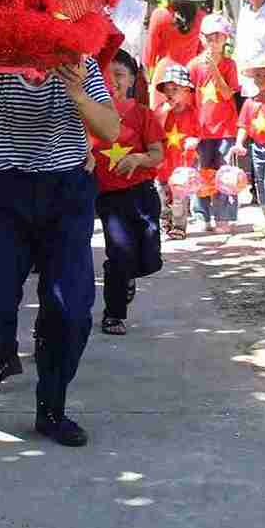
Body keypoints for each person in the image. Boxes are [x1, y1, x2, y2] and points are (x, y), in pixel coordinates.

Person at [0, 50, 120, 447]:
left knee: (71, 308)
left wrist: (77, 94)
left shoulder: (81, 62)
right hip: (7, 191)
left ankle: (52, 408)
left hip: (67, 192)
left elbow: (110, 130)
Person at [90, 50, 164, 335]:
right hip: (110, 198)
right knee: (119, 254)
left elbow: (157, 154)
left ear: (133, 79)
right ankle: (113, 313)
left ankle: (128, 275)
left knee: (149, 259)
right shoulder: (90, 115)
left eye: (119, 74)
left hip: (143, 194)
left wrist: (137, 159)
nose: (113, 81)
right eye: (105, 75)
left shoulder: (143, 114)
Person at [186, 13, 239, 234]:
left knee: (224, 172)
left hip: (225, 128)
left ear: (226, 38)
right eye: (209, 37)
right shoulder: (193, 66)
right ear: (201, 38)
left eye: (218, 37)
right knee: (202, 171)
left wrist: (215, 71)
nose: (213, 42)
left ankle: (223, 216)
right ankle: (201, 214)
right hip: (201, 129)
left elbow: (228, 94)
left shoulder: (229, 64)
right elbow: (188, 99)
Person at [228, 52, 265, 231]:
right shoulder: (250, 103)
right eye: (258, 75)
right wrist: (239, 143)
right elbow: (243, 125)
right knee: (260, 184)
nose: (261, 79)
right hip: (257, 149)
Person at [144, 0, 211, 108]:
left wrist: (148, 79)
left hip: (164, 78)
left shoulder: (160, 15)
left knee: (161, 124)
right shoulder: (202, 17)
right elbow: (203, 51)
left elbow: (149, 55)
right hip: (189, 76)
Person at [152, 63, 199, 240]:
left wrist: (194, 141)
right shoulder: (161, 110)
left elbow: (197, 133)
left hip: (181, 165)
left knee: (179, 198)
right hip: (163, 163)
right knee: (161, 195)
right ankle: (165, 221)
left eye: (175, 89)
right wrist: (164, 112)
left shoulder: (191, 112)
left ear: (186, 91)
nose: (170, 93)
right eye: (168, 89)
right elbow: (155, 129)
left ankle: (179, 226)